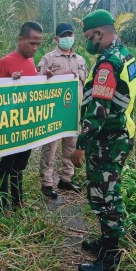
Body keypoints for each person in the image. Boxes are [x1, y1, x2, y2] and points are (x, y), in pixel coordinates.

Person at [71, 9, 136, 271]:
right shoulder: (125, 55)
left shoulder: (108, 64)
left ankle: (110, 259)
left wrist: (80, 144)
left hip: (107, 140)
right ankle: (105, 242)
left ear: (99, 33)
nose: (88, 42)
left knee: (106, 197)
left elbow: (99, 110)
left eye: (89, 36)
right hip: (121, 133)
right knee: (105, 192)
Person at [0, 21, 43, 216]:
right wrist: (9, 82)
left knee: (20, 164)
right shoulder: (5, 62)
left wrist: (45, 78)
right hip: (10, 124)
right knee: (6, 164)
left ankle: (18, 199)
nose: (35, 48)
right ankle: (3, 203)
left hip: (27, 123)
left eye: (38, 44)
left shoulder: (31, 62)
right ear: (20, 39)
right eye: (32, 43)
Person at [38, 22, 88, 199]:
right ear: (56, 38)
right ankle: (47, 182)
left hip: (73, 112)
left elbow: (85, 83)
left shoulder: (80, 60)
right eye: (64, 35)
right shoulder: (48, 59)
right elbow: (36, 82)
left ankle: (66, 179)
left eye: (70, 35)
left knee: (71, 146)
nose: (68, 38)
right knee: (50, 148)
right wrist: (47, 76)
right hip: (54, 112)